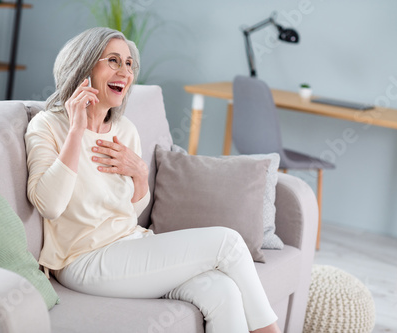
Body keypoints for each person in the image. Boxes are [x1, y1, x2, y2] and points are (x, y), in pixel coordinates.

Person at [25, 27, 281, 333]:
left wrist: (140, 176)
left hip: (130, 244)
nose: (125, 71)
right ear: (84, 67)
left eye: (129, 64)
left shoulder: (125, 129)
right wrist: (77, 130)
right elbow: (50, 206)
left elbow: (128, 213)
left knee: (221, 290)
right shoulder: (47, 126)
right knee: (228, 243)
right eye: (114, 61)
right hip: (83, 260)